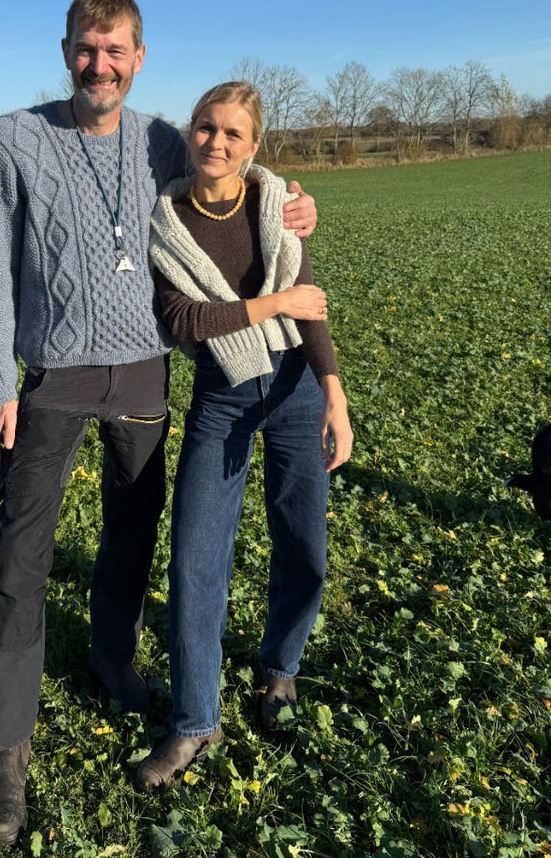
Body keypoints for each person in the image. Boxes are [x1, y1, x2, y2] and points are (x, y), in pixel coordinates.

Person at [0, 0, 318, 846]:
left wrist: (297, 204)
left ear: (139, 57)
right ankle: (4, 745)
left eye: (115, 50)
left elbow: (236, 175)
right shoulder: (16, 136)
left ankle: (110, 655)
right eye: (86, 49)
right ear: (65, 51)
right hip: (51, 375)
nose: (100, 65)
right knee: (20, 553)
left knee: (131, 530)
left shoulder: (162, 135)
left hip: (146, 375)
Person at [136, 81, 352, 789]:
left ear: (253, 146)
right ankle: (195, 722)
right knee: (195, 556)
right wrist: (273, 304)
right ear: (188, 133)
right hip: (221, 396)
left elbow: (310, 304)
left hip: (292, 388)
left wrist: (333, 394)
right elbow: (185, 322)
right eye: (205, 128)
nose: (216, 143)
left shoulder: (276, 204)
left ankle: (279, 669)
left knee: (303, 542)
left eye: (232, 133)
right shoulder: (163, 219)